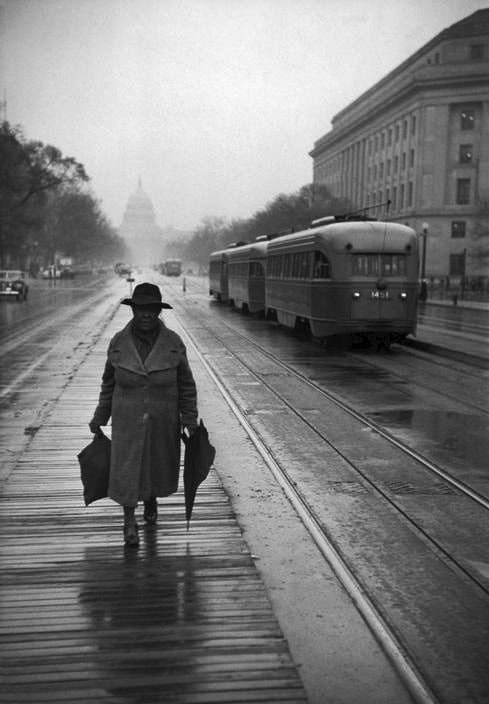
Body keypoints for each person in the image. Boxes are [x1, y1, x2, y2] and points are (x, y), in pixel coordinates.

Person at [89, 282, 198, 547]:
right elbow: (108, 383)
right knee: (127, 472)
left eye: (151, 310)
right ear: (133, 311)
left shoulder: (173, 343)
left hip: (163, 420)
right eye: (141, 309)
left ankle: (150, 499)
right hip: (127, 420)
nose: (146, 315)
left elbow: (186, 384)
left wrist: (190, 419)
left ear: (159, 312)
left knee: (154, 466)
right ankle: (129, 522)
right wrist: (100, 417)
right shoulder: (118, 342)